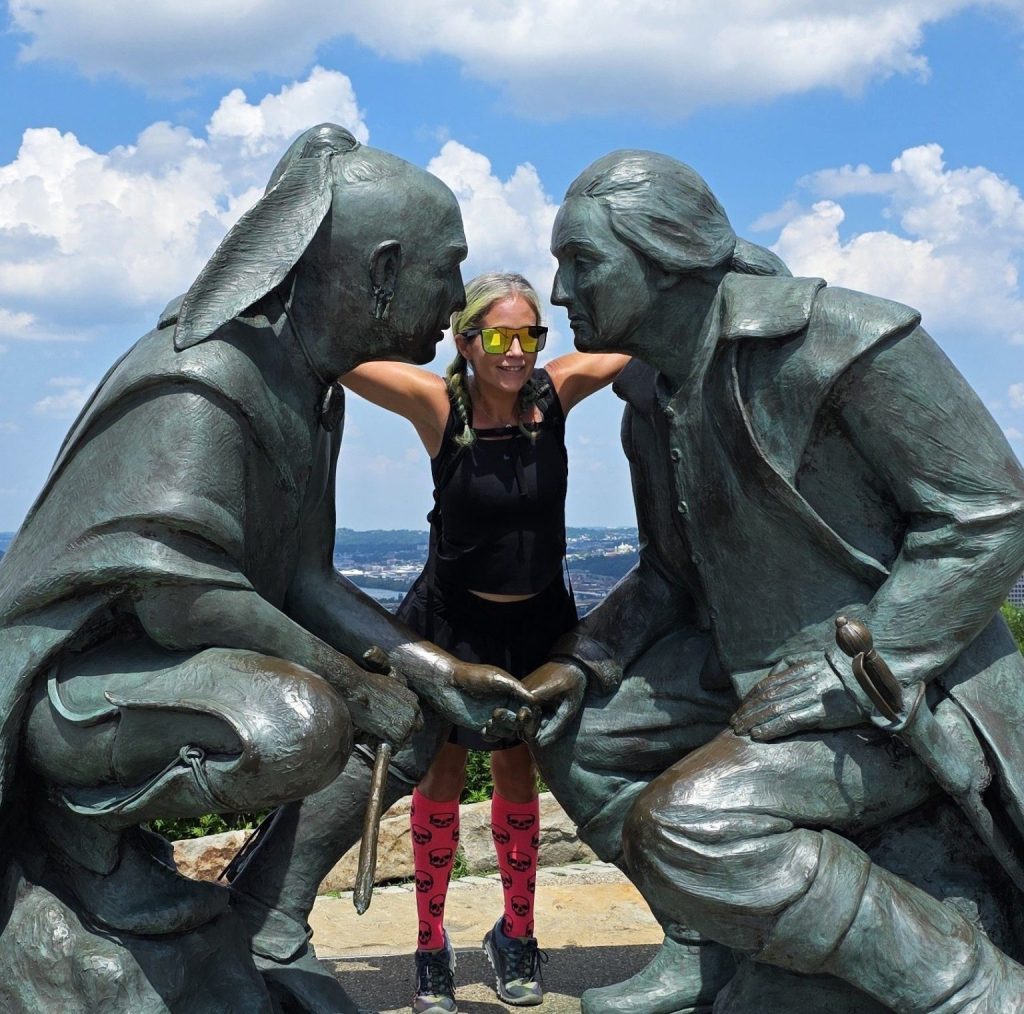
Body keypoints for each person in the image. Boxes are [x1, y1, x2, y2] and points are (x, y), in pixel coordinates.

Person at [0, 123, 536, 1014]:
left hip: (166, 677)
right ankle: (76, 846)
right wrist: (353, 688)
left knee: (414, 719)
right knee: (299, 722)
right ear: (383, 268)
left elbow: (306, 582)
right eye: (447, 270)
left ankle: (265, 912)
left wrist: (427, 670)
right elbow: (182, 597)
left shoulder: (313, 390)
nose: (453, 298)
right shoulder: (208, 377)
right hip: (68, 700)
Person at [513, 149, 1024, 1012]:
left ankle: (970, 985)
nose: (561, 293)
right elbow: (671, 574)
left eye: (583, 263)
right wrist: (581, 662)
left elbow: (987, 512)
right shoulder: (651, 398)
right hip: (742, 672)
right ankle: (703, 946)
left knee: (688, 826)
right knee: (575, 733)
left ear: (666, 258)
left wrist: (863, 665)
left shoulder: (843, 342)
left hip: (892, 695)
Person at [341, 271, 628, 1013]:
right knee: (439, 781)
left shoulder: (555, 394)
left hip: (537, 624)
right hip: (454, 625)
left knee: (516, 778)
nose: (517, 351)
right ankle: (431, 945)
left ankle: (517, 934)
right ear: (467, 340)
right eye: (499, 336)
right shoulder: (438, 405)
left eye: (530, 335)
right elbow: (335, 355)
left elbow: (642, 340)